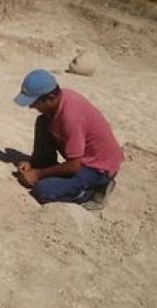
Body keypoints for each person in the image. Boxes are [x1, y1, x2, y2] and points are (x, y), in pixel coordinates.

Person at [13, 69, 123, 206]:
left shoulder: (71, 117)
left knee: (42, 190)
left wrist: (38, 174)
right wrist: (33, 165)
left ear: (51, 98)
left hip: (97, 169)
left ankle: (92, 192)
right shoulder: (61, 100)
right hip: (81, 159)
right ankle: (42, 167)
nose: (31, 106)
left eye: (35, 102)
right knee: (43, 122)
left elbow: (73, 166)